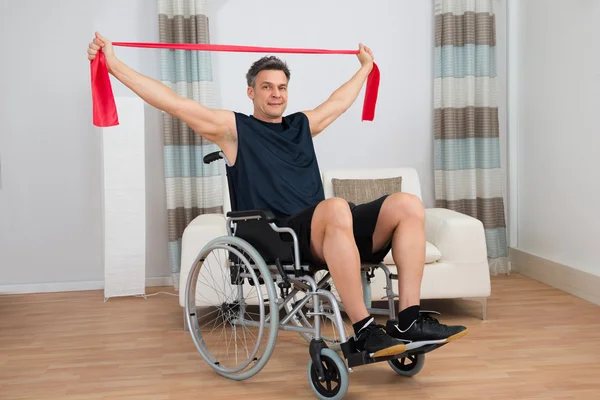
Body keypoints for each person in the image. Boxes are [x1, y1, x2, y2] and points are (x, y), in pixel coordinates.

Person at [87, 32, 467, 359]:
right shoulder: (233, 129)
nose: (275, 94)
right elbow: (172, 102)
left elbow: (338, 102)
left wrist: (365, 69)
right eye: (267, 87)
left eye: (281, 87)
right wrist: (114, 65)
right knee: (334, 207)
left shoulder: (301, 124)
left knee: (407, 204)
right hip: (282, 236)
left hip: (331, 227)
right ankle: (365, 330)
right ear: (251, 91)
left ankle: (408, 320)